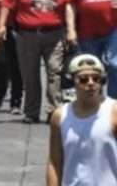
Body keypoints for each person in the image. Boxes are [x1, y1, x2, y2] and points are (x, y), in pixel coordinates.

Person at [0, 0, 74, 123]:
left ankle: (54, 111)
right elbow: (7, 3)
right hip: (27, 34)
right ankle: (31, 112)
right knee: (30, 74)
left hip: (54, 34)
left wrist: (71, 29)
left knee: (54, 72)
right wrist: (2, 26)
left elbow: (70, 4)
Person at [46, 54, 117, 186]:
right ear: (73, 81)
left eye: (96, 79)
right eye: (83, 79)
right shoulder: (60, 116)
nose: (90, 83)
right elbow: (55, 162)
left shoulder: (113, 111)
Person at [67, 0, 117, 96]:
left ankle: (113, 103)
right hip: (87, 32)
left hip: (113, 28)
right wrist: (71, 30)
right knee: (92, 70)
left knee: (115, 65)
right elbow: (70, 3)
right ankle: (94, 104)